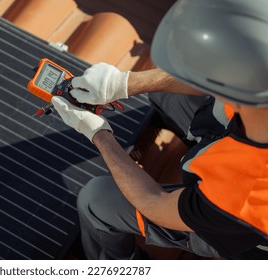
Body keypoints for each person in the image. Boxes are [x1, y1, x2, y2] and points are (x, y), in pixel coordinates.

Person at [51, 0, 268, 259]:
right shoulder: (255, 81)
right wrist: (127, 84)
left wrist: (98, 133)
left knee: (96, 200)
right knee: (167, 97)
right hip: (240, 141)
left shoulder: (245, 197)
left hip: (235, 231)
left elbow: (154, 202)